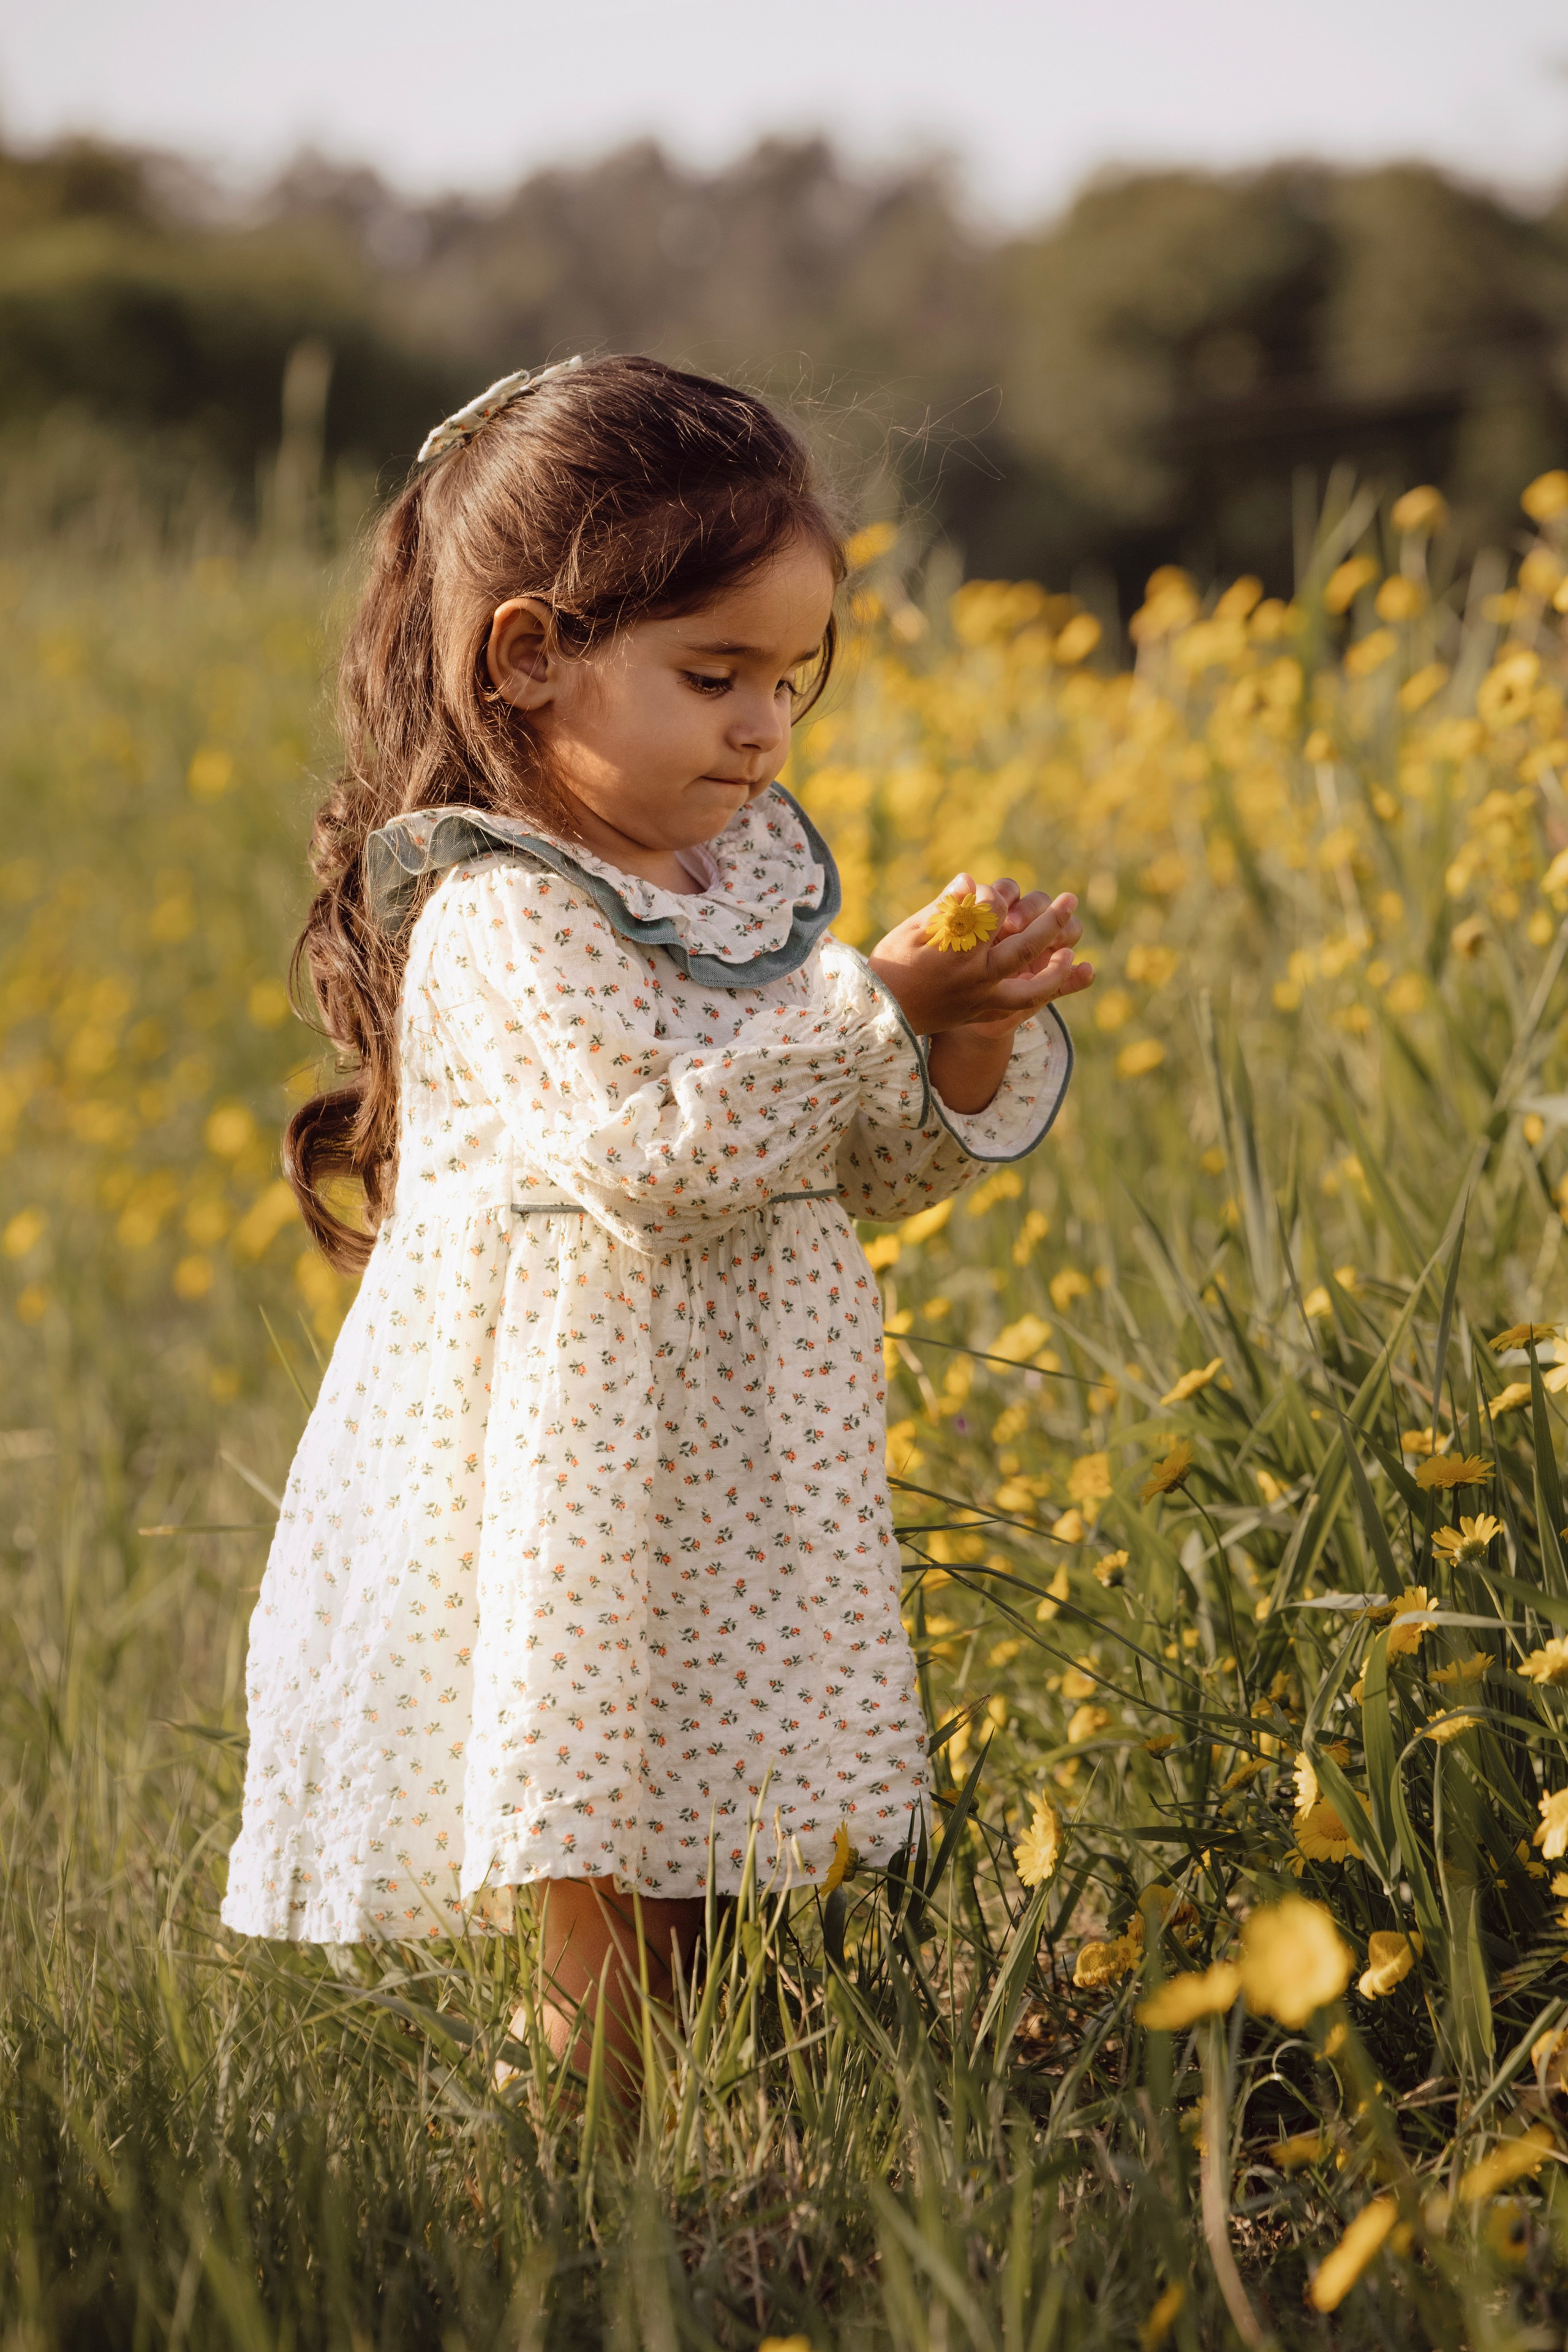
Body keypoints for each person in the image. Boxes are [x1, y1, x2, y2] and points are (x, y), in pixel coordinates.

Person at [219, 352, 1093, 2081]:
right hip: (582, 1489)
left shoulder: (734, 880)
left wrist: (959, 1041)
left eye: (789, 679)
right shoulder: (498, 918)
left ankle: (703, 2161)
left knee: (718, 1861)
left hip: (738, 1470)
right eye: (714, 677)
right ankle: (588, 2192)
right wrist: (868, 1011)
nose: (764, 726)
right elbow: (657, 1157)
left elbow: (827, 1173)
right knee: (606, 1880)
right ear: (532, 656)